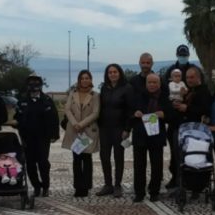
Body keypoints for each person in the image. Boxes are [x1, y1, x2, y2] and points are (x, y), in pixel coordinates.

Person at [14, 75, 60, 198]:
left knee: (43, 163)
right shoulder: (22, 101)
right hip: (27, 137)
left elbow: (54, 118)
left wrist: (55, 134)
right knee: (30, 164)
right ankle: (36, 186)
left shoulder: (47, 100)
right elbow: (17, 118)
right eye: (31, 83)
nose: (33, 85)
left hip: (43, 137)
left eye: (36, 83)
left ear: (40, 85)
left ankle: (45, 186)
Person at [167, 65, 211, 189]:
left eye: (192, 77)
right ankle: (178, 180)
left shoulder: (203, 91)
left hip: (194, 132)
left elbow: (205, 109)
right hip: (180, 128)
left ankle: (193, 183)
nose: (189, 80)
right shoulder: (188, 90)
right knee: (176, 157)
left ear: (198, 77)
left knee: (192, 157)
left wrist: (187, 108)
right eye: (187, 77)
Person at [131, 73, 172, 202]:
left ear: (159, 84)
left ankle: (154, 192)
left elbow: (172, 115)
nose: (152, 85)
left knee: (157, 166)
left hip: (156, 136)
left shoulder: (165, 97)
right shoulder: (138, 96)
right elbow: (130, 114)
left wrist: (164, 114)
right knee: (139, 166)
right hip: (140, 136)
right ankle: (139, 192)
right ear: (146, 83)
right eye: (150, 82)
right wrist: (135, 114)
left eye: (155, 82)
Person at [62, 70, 100, 198]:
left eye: (87, 78)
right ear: (79, 80)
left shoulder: (95, 95)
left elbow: (96, 113)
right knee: (76, 160)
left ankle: (86, 186)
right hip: (75, 130)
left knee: (87, 159)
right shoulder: (73, 93)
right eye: (82, 78)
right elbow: (67, 109)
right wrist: (74, 124)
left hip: (87, 131)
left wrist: (82, 124)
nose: (85, 80)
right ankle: (78, 187)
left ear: (91, 80)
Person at [97, 64, 133, 197]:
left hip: (119, 128)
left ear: (120, 73)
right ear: (107, 75)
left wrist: (127, 129)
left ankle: (117, 185)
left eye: (115, 72)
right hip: (104, 128)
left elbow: (130, 110)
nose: (112, 74)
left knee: (119, 157)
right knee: (104, 156)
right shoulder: (104, 88)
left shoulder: (127, 88)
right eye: (110, 72)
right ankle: (108, 184)